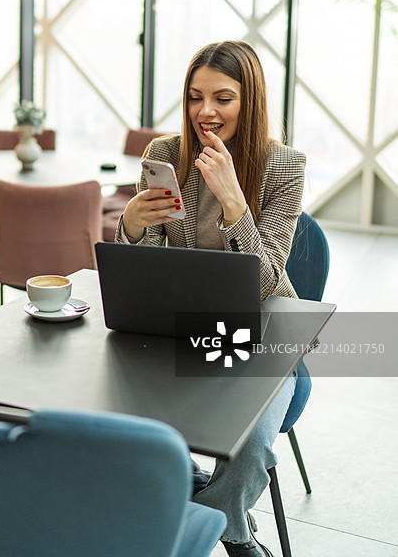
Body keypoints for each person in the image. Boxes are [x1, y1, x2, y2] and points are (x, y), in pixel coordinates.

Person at [117, 40, 306, 557]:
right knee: (117, 420)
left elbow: (268, 282)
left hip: (262, 332)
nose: (206, 111)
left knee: (250, 447)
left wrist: (232, 201)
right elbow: (144, 268)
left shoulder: (282, 167)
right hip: (177, 325)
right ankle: (215, 518)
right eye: (196, 96)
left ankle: (223, 531)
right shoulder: (164, 155)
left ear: (250, 102)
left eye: (223, 98)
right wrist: (130, 227)